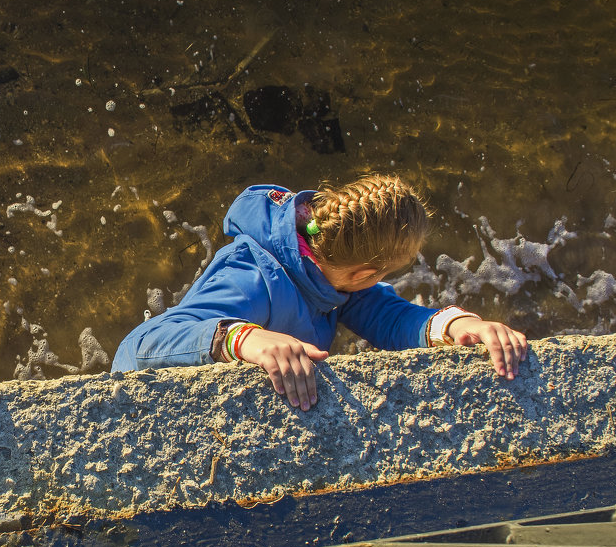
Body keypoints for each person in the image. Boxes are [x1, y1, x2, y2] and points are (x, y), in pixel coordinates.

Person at [111, 174, 527, 410]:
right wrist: (242, 338)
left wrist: (456, 325)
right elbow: (136, 349)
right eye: (382, 275)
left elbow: (388, 314)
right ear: (364, 271)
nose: (375, 285)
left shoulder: (332, 267)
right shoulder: (252, 278)